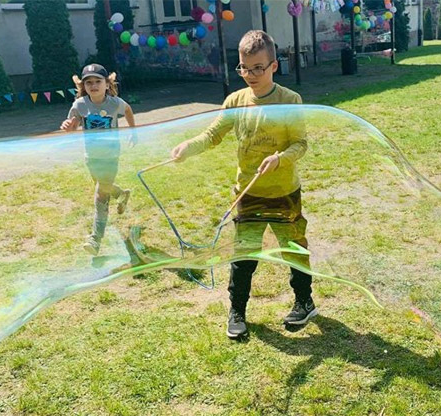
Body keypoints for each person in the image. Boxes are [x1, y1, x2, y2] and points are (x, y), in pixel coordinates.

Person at [170, 30, 315, 339]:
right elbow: (212, 135)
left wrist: (280, 159)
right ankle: (237, 310)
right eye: (243, 68)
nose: (249, 75)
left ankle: (304, 301)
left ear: (274, 66)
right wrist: (187, 147)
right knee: (244, 256)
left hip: (284, 193)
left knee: (293, 249)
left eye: (257, 68)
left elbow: (300, 145)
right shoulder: (235, 101)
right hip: (248, 194)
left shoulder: (289, 100)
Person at [61, 63, 135, 255]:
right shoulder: (80, 105)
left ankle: (95, 239)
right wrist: (69, 125)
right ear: (83, 86)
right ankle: (121, 193)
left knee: (100, 196)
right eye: (89, 82)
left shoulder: (114, 102)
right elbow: (75, 122)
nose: (93, 86)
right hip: (91, 157)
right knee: (102, 187)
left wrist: (133, 131)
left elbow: (127, 110)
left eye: (98, 81)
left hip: (111, 156)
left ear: (107, 84)